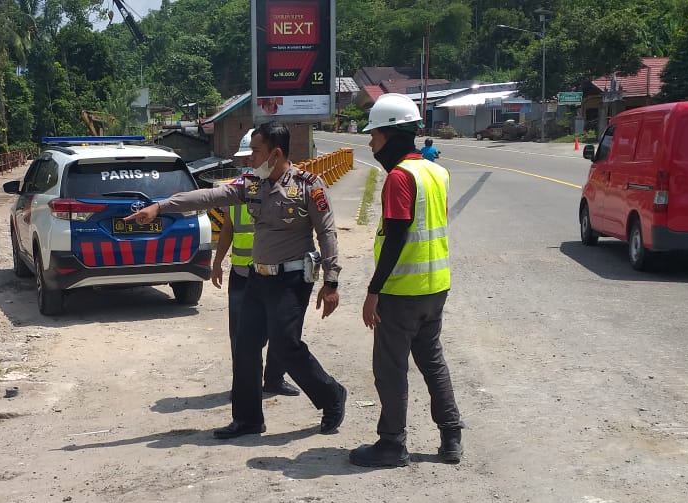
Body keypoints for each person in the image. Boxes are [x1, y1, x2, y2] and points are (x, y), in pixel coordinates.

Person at [128, 123, 348, 439]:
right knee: (245, 348)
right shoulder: (252, 184)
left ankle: (331, 395)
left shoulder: (309, 186)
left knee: (287, 348)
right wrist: (160, 207)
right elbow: (209, 195)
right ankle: (248, 420)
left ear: (275, 153)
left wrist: (332, 281)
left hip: (292, 280)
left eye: (256, 151)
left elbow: (327, 233)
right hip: (257, 278)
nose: (250, 158)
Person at [353, 93, 464, 468]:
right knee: (432, 362)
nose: (371, 144)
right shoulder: (437, 172)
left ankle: (391, 445)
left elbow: (398, 236)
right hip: (436, 287)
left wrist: (373, 290)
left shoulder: (400, 178)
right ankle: (451, 438)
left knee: (390, 369)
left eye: (375, 136)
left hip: (402, 292)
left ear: (393, 135)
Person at [212, 129, 300, 398]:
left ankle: (274, 379)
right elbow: (227, 228)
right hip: (242, 274)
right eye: (244, 157)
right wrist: (218, 263)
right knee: (240, 337)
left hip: (273, 274)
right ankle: (244, 385)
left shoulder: (286, 188)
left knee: (279, 332)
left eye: (251, 156)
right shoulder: (237, 189)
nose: (247, 162)